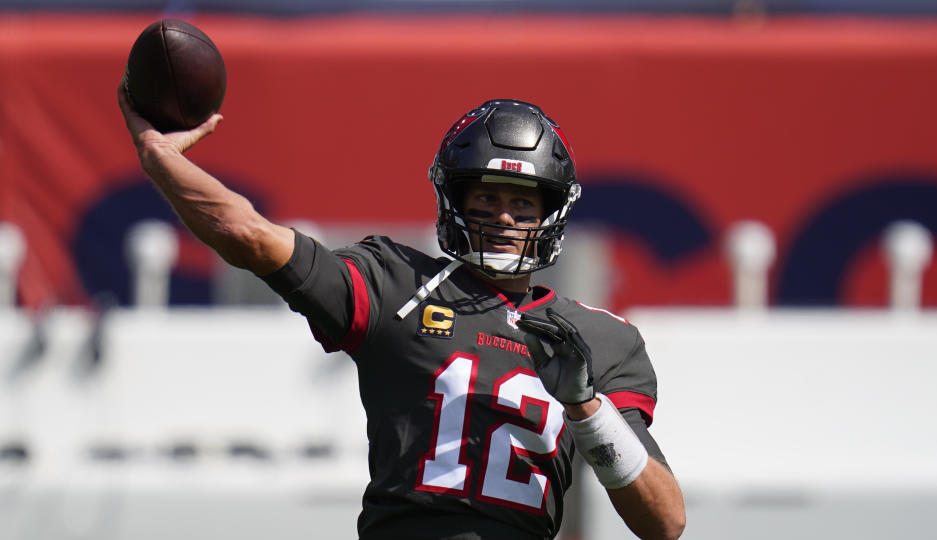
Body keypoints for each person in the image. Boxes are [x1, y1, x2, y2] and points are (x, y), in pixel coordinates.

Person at [118, 87, 685, 540]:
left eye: (522, 201)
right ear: (454, 201)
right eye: (486, 197)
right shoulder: (397, 283)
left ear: (550, 213)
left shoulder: (600, 339)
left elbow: (664, 522)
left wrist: (587, 410)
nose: (505, 217)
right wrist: (161, 160)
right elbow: (252, 237)